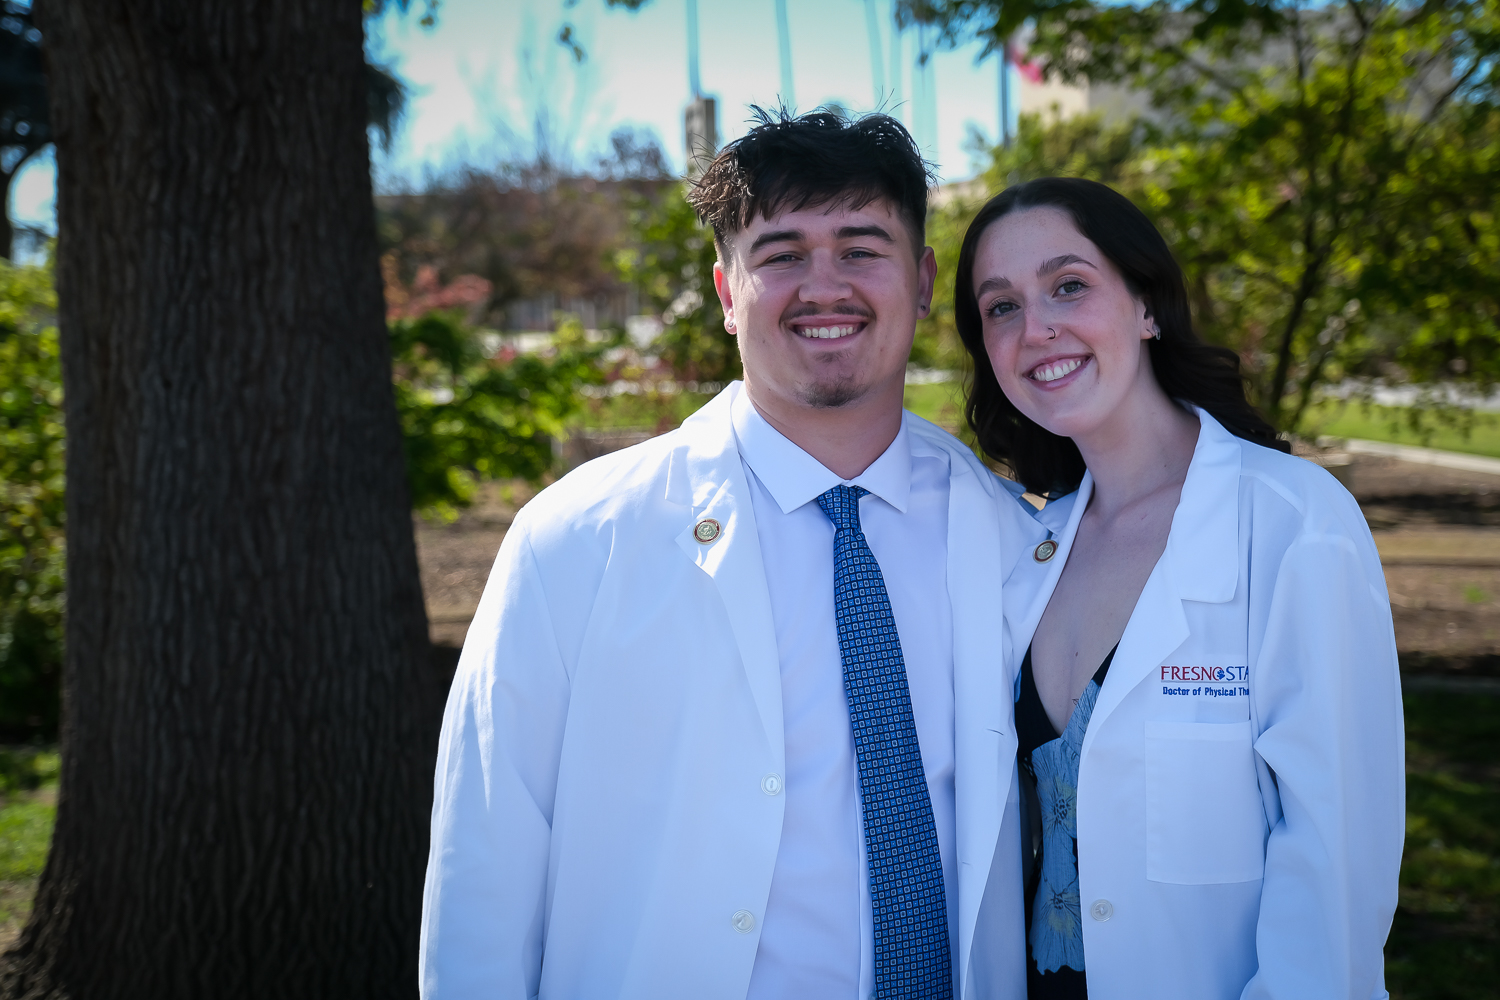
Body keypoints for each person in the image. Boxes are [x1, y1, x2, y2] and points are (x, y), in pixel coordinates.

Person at [419, 109, 1046, 999]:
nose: (824, 286)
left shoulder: (1014, 538)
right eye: (781, 254)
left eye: (861, 248)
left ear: (921, 280)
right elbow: (484, 869)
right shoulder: (575, 542)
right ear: (725, 291)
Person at [954, 176, 1405, 999]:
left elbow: (1335, 870)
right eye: (1001, 306)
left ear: (1148, 306)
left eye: (1068, 286)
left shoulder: (1292, 524)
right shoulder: (1025, 548)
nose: (1037, 328)